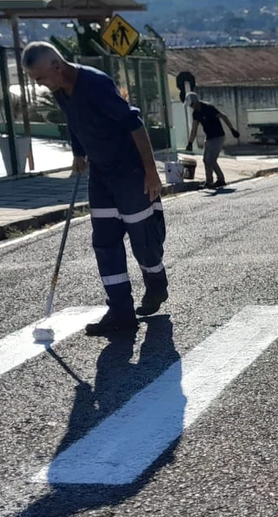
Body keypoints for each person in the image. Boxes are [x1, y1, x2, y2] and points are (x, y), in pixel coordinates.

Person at [21, 42, 168, 337]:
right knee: (105, 243)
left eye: (40, 78)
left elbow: (134, 124)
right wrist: (78, 153)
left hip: (130, 173)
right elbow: (74, 123)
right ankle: (121, 312)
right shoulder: (61, 91)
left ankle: (156, 285)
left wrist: (151, 173)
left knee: (143, 241)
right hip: (101, 176)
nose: (39, 85)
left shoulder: (96, 85)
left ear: (57, 67)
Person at [184, 93, 239, 189]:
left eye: (192, 104)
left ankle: (221, 179)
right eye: (190, 106)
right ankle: (209, 182)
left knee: (211, 160)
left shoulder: (208, 108)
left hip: (218, 136)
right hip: (209, 137)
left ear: (196, 101)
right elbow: (194, 129)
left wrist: (232, 130)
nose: (191, 107)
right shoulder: (196, 113)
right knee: (206, 160)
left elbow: (223, 116)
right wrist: (190, 143)